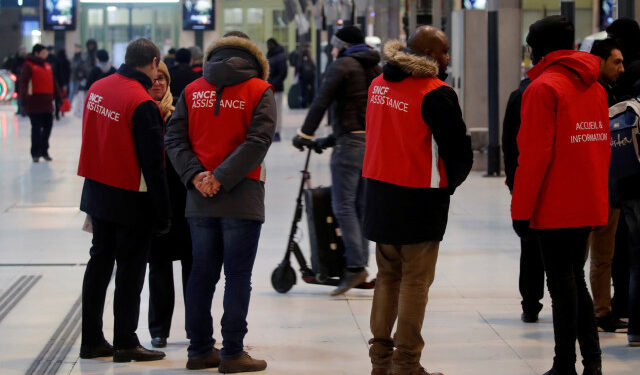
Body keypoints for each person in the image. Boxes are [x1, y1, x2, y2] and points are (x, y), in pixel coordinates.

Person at [364, 26, 473, 375]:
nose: (447, 58)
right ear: (426, 53)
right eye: (442, 51)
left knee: (386, 276)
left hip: (380, 193)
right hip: (419, 198)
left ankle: (380, 361)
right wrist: (447, 185)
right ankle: (406, 363)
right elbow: (459, 151)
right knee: (415, 281)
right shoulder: (436, 93)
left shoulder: (378, 85)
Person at [165, 31, 275, 372]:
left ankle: (199, 350)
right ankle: (232, 352)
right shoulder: (260, 90)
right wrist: (221, 177)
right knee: (238, 276)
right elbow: (258, 141)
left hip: (199, 199)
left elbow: (173, 137)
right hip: (242, 196)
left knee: (201, 274)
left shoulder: (192, 90)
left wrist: (197, 176)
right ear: (255, 58)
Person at [512, 16, 609, 374]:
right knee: (574, 281)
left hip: (554, 204)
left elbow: (534, 156)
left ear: (538, 47)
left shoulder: (542, 89)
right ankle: (592, 363)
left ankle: (565, 364)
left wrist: (521, 211)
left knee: (561, 285)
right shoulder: (595, 87)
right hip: (587, 200)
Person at [77, 38, 171, 363]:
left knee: (99, 264)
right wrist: (163, 213)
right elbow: (153, 166)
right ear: (154, 62)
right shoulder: (142, 102)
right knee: (130, 272)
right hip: (130, 199)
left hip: (97, 191)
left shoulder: (97, 89)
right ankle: (125, 342)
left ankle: (91, 340)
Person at [291, 25, 381, 296]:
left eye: (333, 44)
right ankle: (361, 263)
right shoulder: (375, 68)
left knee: (343, 205)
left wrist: (304, 134)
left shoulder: (342, 65)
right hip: (371, 144)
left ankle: (354, 266)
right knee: (362, 206)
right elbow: (360, 111)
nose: (331, 49)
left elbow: (321, 101)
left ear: (342, 45)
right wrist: (326, 141)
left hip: (350, 146)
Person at [145, 61, 193, 349]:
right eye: (154, 78)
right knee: (159, 268)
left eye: (163, 78)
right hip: (155, 201)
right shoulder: (141, 111)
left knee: (193, 266)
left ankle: (194, 326)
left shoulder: (180, 109)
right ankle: (159, 328)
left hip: (184, 198)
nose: (158, 83)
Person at [585, 38, 629, 334]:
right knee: (588, 255)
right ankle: (588, 309)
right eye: (616, 62)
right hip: (589, 185)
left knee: (605, 254)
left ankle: (602, 310)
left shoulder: (610, 92)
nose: (622, 68)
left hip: (608, 185)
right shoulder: (589, 93)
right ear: (599, 60)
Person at [502, 74, 545, 323]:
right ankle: (537, 302)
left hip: (525, 180)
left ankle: (530, 303)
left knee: (530, 246)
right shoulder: (525, 94)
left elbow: (508, 143)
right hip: (546, 182)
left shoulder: (521, 93)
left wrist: (513, 182)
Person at [18, 44, 63, 163]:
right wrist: (23, 99)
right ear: (37, 53)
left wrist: (59, 97)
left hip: (47, 103)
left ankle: (44, 150)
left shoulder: (48, 66)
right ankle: (35, 153)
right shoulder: (28, 65)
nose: (46, 54)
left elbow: (54, 83)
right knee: (36, 129)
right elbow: (23, 84)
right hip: (34, 103)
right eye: (43, 52)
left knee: (48, 127)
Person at [266, 38, 287, 141]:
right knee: (271, 112)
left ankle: (277, 133)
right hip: (270, 88)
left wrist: (273, 84)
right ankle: (272, 132)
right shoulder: (270, 55)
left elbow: (283, 73)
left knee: (277, 111)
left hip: (276, 89)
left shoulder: (279, 56)